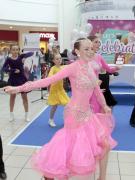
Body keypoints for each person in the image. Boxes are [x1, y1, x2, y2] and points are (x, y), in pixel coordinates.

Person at [4, 38, 117, 180]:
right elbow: (47, 81)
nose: (90, 51)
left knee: (104, 145)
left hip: (88, 113)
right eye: (86, 49)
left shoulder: (91, 67)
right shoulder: (72, 67)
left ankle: (102, 178)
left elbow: (96, 89)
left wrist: (105, 105)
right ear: (77, 51)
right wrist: (19, 88)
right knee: (72, 148)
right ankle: (54, 170)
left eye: (91, 48)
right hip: (74, 114)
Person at [88, 35, 121, 112]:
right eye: (96, 42)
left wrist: (116, 68)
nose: (98, 44)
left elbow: (108, 69)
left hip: (97, 86)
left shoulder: (99, 56)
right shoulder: (85, 57)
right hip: (88, 88)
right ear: (89, 43)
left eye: (99, 42)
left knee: (98, 110)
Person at [2, 45, 33, 122]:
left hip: (22, 79)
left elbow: (31, 53)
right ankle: (11, 115)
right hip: (13, 80)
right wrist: (13, 70)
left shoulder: (21, 57)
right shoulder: (8, 59)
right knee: (12, 97)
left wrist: (24, 55)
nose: (15, 51)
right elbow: (4, 68)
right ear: (11, 51)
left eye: (17, 50)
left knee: (24, 97)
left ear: (19, 50)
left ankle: (26, 115)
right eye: (13, 50)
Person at [47, 53, 70, 127]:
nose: (59, 60)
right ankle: (50, 120)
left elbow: (71, 67)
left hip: (61, 90)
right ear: (53, 60)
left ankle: (66, 120)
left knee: (68, 104)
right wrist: (54, 77)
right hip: (54, 90)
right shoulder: (53, 68)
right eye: (57, 59)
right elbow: (50, 77)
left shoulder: (63, 67)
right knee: (54, 106)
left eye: (60, 58)